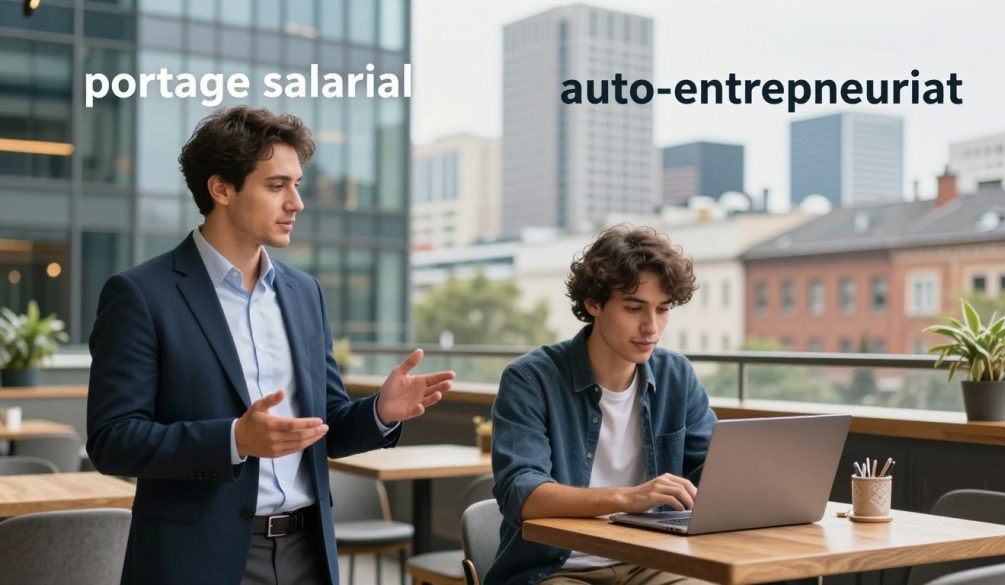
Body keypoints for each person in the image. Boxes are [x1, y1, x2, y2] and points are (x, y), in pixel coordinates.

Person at [86, 106, 455, 585]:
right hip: (198, 559)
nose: (296, 202)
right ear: (221, 189)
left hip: (309, 551)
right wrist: (235, 440)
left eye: (297, 184)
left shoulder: (305, 293)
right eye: (277, 186)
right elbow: (113, 441)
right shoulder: (141, 294)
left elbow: (326, 428)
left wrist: (381, 412)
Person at [488, 225, 718, 585]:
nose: (651, 327)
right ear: (593, 304)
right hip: (557, 570)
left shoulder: (676, 375)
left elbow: (712, 470)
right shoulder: (530, 379)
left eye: (662, 309)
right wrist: (630, 498)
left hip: (652, 561)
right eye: (634, 308)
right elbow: (523, 493)